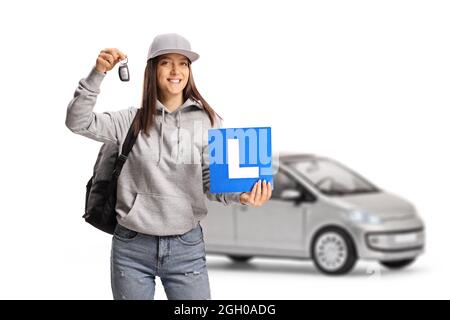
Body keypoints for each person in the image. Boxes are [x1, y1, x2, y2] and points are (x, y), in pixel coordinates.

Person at [65, 33, 272, 300]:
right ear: (153, 69)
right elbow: (77, 122)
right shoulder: (130, 120)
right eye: (166, 62)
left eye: (183, 63)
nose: (176, 71)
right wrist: (98, 73)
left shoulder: (209, 121)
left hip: (186, 246)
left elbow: (211, 182)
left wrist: (241, 195)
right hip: (131, 247)